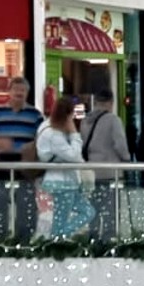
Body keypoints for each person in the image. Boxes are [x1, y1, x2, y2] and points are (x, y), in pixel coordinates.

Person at [0, 76, 44, 241]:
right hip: (3, 161)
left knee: (25, 202)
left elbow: (43, 137)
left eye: (23, 91)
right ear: (9, 92)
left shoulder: (35, 115)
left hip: (25, 163)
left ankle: (23, 239)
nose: (19, 93)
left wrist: (31, 146)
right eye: (16, 90)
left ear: (27, 93)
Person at [37, 97, 95, 238]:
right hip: (62, 183)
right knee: (62, 220)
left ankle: (59, 238)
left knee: (87, 212)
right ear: (68, 114)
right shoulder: (53, 134)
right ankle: (58, 239)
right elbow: (74, 155)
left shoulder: (47, 127)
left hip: (67, 182)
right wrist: (74, 133)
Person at [80, 89, 130, 241]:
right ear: (111, 102)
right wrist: (127, 160)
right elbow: (120, 145)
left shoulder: (85, 121)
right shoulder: (113, 120)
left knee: (93, 208)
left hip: (91, 172)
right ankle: (109, 241)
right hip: (110, 172)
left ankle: (93, 238)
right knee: (110, 210)